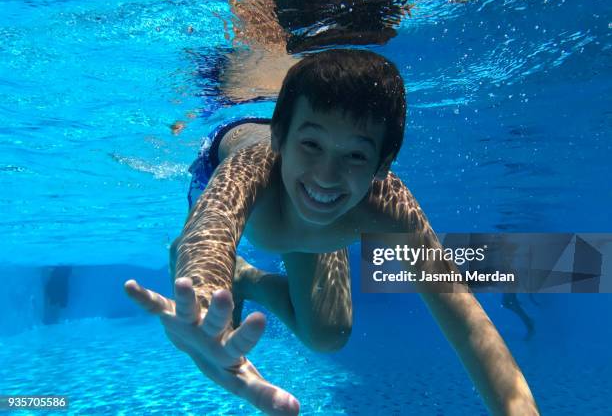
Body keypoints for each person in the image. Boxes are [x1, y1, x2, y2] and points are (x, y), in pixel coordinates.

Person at [124, 49, 539, 415]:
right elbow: (211, 230)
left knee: (328, 335)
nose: (327, 176)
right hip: (225, 156)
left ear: (383, 163)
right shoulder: (250, 170)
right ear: (280, 139)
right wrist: (198, 304)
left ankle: (246, 277)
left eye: (356, 155)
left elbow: (468, 325)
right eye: (311, 146)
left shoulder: (388, 207)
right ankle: (229, 277)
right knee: (216, 306)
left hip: (304, 216)